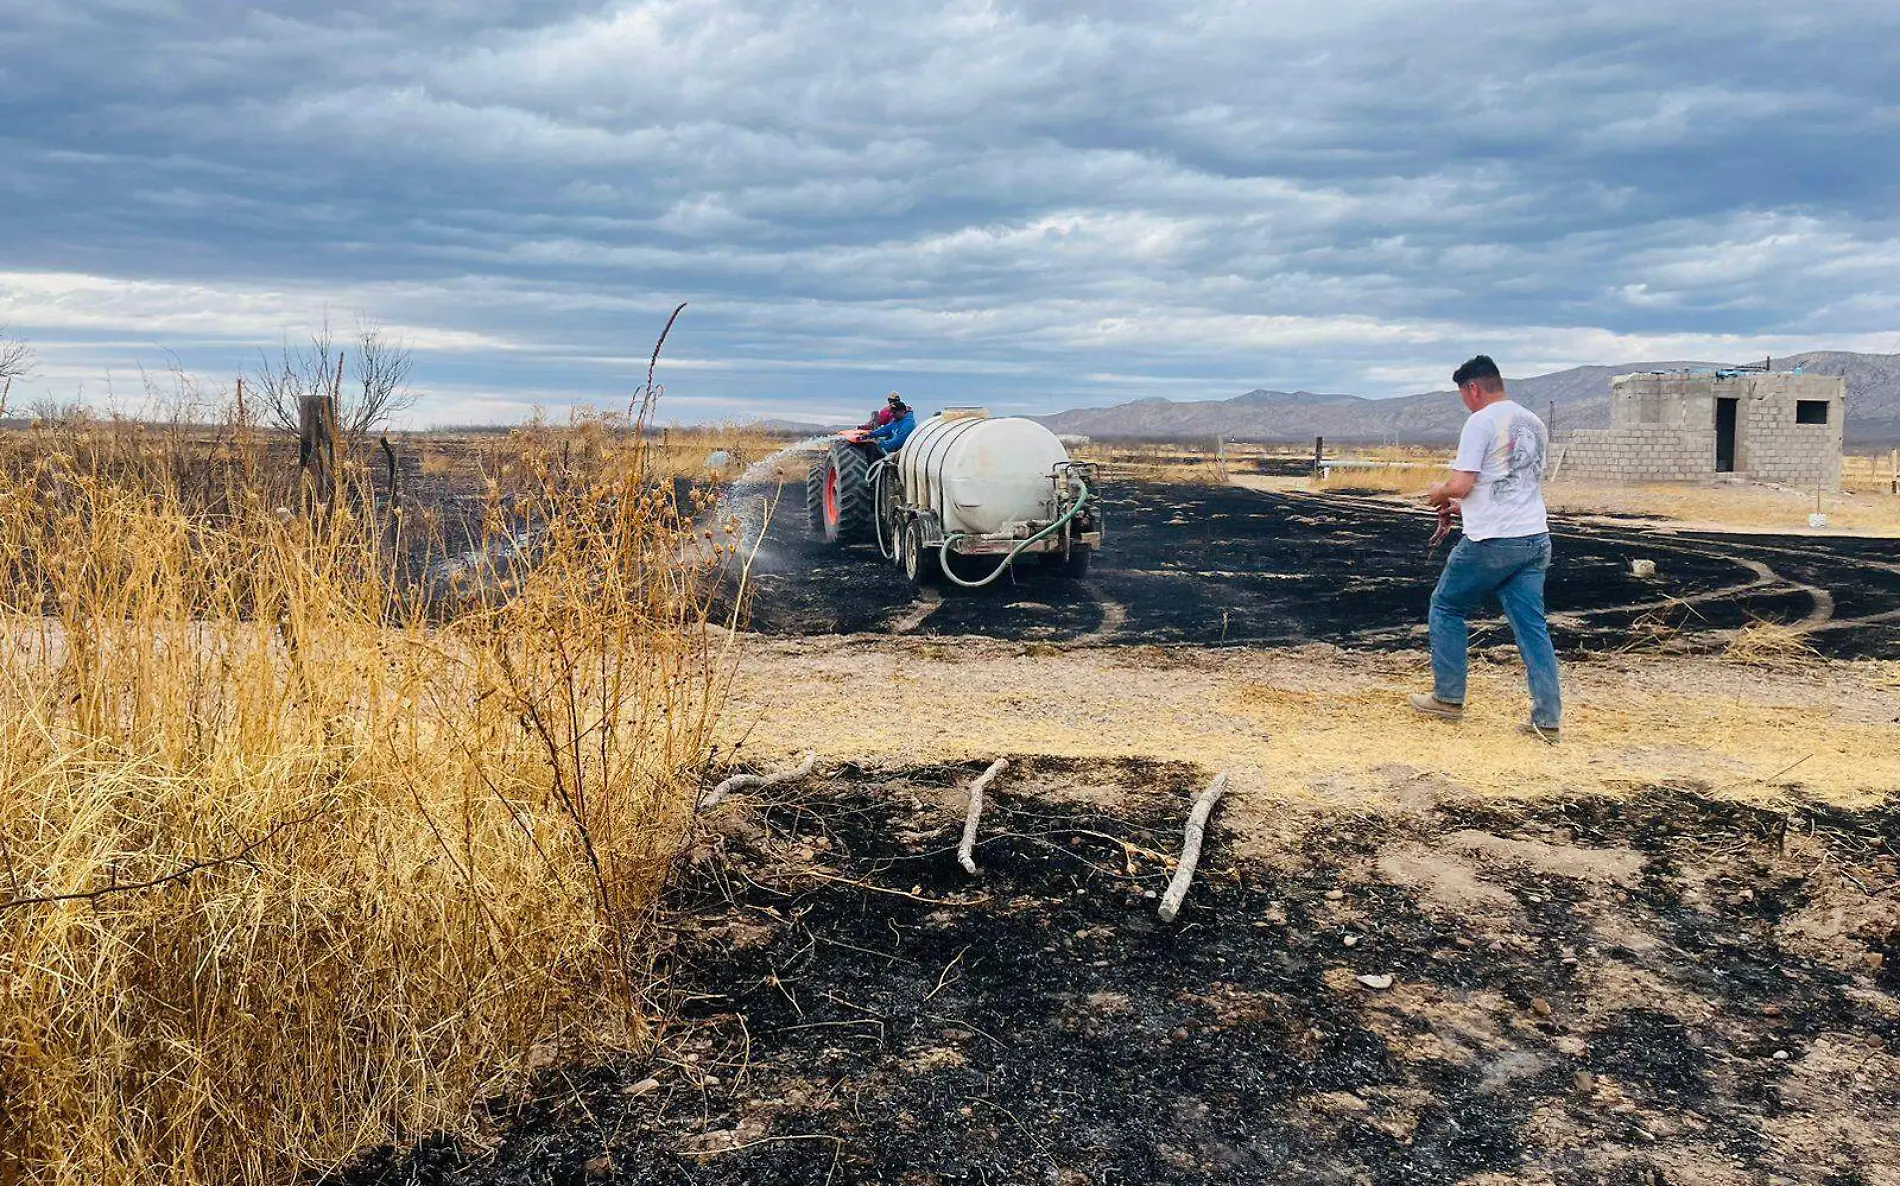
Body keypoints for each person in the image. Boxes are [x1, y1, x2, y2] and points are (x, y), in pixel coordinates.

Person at [1410, 355, 1563, 743]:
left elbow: (1461, 483)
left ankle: (1448, 697)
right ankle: (1547, 720)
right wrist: (1467, 507)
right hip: (1534, 538)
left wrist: (1439, 493)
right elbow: (1509, 483)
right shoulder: (1534, 422)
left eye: (1463, 393)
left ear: (1473, 388)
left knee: (1446, 606)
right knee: (1532, 628)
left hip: (1493, 541)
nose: (1465, 401)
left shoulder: (1480, 421)